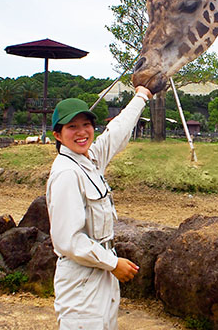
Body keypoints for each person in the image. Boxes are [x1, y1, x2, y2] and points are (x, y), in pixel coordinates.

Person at [46, 86, 152, 329]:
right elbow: (69, 241)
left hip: (101, 271)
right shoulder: (66, 173)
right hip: (81, 280)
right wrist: (113, 263)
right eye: (72, 127)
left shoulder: (89, 159)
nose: (82, 132)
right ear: (58, 135)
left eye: (86, 125)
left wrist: (142, 95)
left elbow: (116, 132)